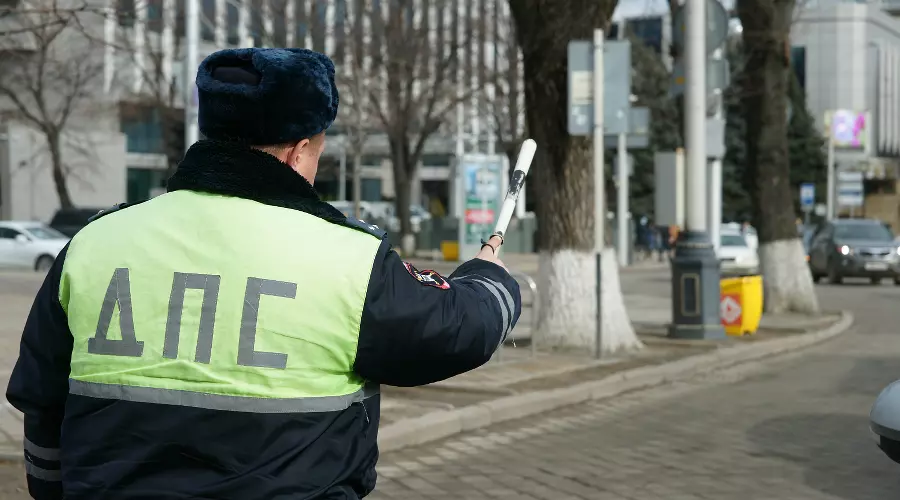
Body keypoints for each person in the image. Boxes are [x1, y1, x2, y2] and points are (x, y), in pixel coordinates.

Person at [6, 48, 521, 500]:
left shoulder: (95, 242)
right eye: (317, 153)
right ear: (300, 150)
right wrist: (489, 275)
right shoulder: (347, 257)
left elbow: (42, 405)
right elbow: (455, 329)